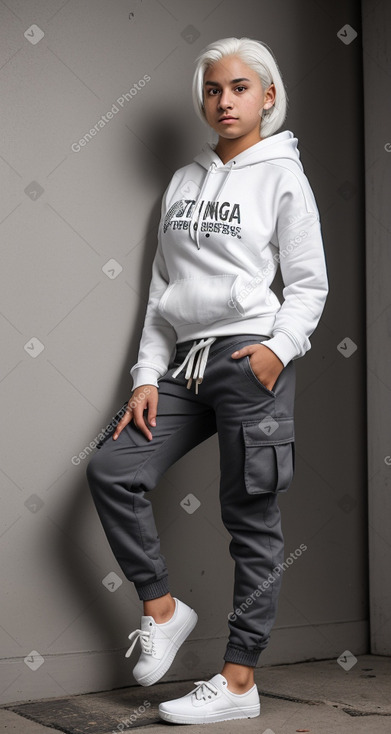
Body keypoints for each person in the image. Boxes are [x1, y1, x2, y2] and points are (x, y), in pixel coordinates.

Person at [86, 36, 329, 724]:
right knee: (112, 469)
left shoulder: (283, 175)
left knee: (250, 522)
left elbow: (309, 285)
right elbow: (164, 289)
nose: (225, 101)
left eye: (240, 88)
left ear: (268, 96)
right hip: (183, 367)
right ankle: (162, 610)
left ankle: (238, 682)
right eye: (215, 90)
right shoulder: (185, 179)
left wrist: (274, 350)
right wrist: (144, 376)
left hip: (248, 361)